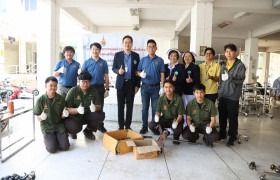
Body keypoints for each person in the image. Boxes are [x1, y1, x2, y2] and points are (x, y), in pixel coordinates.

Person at [64, 71, 105, 140]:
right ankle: (72, 132)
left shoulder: (93, 91)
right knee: (75, 127)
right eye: (83, 82)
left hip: (87, 115)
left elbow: (99, 105)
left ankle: (88, 131)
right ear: (78, 81)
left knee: (100, 115)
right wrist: (77, 110)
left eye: (88, 82)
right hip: (75, 116)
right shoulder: (72, 91)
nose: (85, 84)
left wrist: (95, 108)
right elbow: (66, 109)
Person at [218, 43, 245, 146]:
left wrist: (230, 78)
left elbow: (240, 80)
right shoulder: (224, 65)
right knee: (222, 116)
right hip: (223, 94)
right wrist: (220, 91)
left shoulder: (240, 65)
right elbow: (220, 80)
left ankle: (232, 137)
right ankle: (222, 134)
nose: (228, 53)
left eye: (230, 51)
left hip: (233, 96)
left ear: (235, 52)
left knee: (232, 118)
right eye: (226, 51)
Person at [33, 76, 70, 153]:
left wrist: (65, 115)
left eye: (55, 86)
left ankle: (58, 138)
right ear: (46, 86)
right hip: (47, 126)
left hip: (58, 125)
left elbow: (62, 116)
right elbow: (38, 118)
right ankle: (49, 138)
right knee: (52, 149)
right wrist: (41, 117)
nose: (53, 87)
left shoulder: (61, 99)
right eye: (51, 85)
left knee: (65, 147)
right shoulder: (40, 100)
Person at [112, 35, 140, 130]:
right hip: (121, 83)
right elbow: (113, 68)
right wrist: (118, 71)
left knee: (130, 106)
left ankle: (128, 126)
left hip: (131, 84)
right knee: (120, 106)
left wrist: (137, 85)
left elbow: (137, 71)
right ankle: (120, 126)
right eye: (125, 42)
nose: (127, 44)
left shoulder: (136, 56)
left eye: (129, 42)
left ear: (132, 44)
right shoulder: (118, 55)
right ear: (123, 44)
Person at [137, 39, 165, 134]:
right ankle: (144, 126)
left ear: (156, 48)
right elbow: (137, 71)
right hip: (144, 87)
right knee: (145, 108)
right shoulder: (143, 60)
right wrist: (140, 74)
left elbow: (162, 74)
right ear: (147, 48)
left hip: (156, 87)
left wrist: (162, 86)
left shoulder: (160, 60)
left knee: (155, 108)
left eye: (153, 46)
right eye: (149, 47)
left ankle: (154, 126)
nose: (151, 48)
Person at [82, 42, 109, 133]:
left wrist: (107, 88)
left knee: (100, 106)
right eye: (93, 49)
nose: (95, 51)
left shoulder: (103, 62)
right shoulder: (86, 62)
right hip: (89, 88)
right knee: (89, 107)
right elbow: (82, 77)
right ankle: (89, 126)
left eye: (97, 49)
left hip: (100, 88)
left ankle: (100, 125)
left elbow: (106, 76)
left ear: (100, 51)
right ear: (90, 50)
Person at [149, 79, 184, 144]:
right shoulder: (161, 99)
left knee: (178, 130)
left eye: (170, 87)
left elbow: (180, 115)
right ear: (163, 88)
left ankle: (176, 136)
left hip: (175, 120)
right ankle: (162, 132)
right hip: (165, 119)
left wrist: (176, 122)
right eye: (166, 87)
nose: (168, 89)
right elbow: (158, 111)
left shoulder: (179, 99)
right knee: (151, 125)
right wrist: (157, 116)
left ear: (173, 88)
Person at [182, 51, 200, 127]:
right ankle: (184, 125)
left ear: (192, 58)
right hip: (183, 92)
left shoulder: (195, 67)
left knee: (191, 110)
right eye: (185, 56)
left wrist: (192, 80)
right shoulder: (181, 67)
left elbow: (198, 80)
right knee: (184, 110)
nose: (187, 58)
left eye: (189, 56)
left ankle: (191, 126)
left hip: (191, 93)